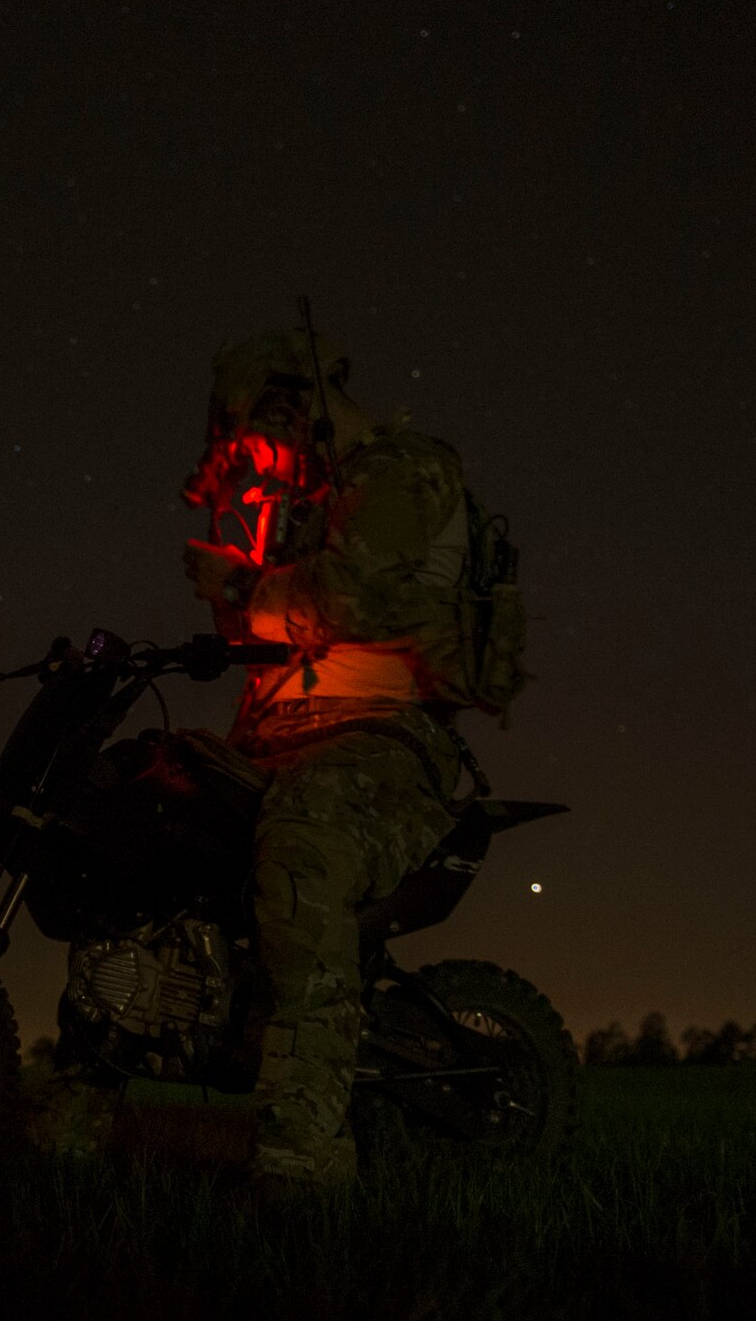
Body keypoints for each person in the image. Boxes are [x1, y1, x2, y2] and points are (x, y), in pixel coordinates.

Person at [180, 329, 475, 1187]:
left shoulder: (405, 468)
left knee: (302, 850)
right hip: (279, 740)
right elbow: (271, 629)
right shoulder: (306, 509)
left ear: (297, 399)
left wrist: (239, 584)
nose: (266, 450)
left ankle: (303, 1161)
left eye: (269, 425)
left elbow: (353, 598)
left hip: (381, 742)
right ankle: (69, 1122)